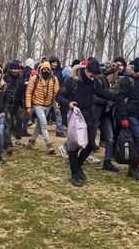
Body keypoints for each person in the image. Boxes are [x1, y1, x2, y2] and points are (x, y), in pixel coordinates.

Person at [57, 58, 106, 187]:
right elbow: (59, 96)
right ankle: (74, 174)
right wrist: (69, 104)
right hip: (75, 117)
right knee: (74, 146)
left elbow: (103, 93)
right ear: (86, 70)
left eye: (95, 77)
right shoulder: (71, 81)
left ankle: (78, 166)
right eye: (91, 76)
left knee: (90, 145)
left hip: (89, 116)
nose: (93, 78)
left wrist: (119, 96)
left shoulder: (94, 82)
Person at [25, 61, 60, 155]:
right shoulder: (34, 78)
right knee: (44, 124)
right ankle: (49, 144)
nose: (45, 71)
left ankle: (31, 142)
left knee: (39, 125)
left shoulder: (54, 79)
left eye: (47, 69)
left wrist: (57, 107)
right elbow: (28, 92)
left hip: (47, 106)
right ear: (40, 69)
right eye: (44, 69)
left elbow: (57, 94)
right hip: (37, 105)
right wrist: (28, 106)